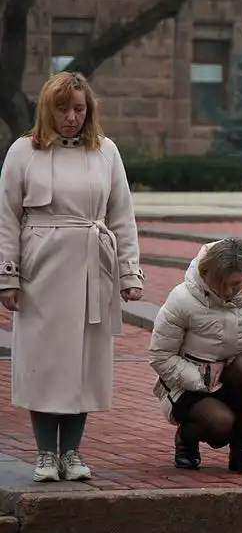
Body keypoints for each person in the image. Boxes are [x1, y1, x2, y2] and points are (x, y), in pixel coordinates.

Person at [0, 73, 144, 483]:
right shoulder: (23, 152)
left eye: (79, 109)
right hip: (41, 271)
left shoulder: (106, 152)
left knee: (83, 364)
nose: (71, 117)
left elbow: (122, 215)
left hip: (91, 271)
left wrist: (128, 273)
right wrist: (8, 276)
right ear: (48, 109)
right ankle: (46, 453)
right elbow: (7, 218)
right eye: (63, 109)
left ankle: (74, 452)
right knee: (45, 363)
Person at [149, 238, 242, 473]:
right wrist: (203, 377)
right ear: (206, 273)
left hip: (231, 378)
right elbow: (161, 355)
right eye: (224, 285)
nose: (231, 292)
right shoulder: (182, 298)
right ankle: (186, 438)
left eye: (238, 284)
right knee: (220, 429)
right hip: (188, 385)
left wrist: (227, 367)